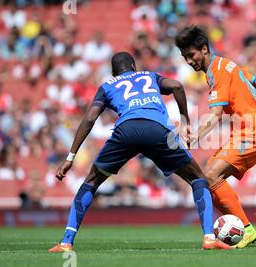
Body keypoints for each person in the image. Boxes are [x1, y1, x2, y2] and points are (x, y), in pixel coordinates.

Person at [48, 52, 231, 252]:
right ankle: (209, 238)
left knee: (91, 182)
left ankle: (66, 242)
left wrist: (71, 157)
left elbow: (90, 118)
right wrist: (185, 120)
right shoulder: (148, 76)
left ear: (113, 72)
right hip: (157, 130)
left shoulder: (108, 86)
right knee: (198, 179)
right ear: (134, 66)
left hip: (126, 131)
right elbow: (177, 86)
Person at [175, 25, 256, 248]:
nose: (189, 61)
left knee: (209, 175)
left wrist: (196, 136)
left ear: (204, 49)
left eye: (191, 55)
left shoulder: (218, 71)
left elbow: (216, 113)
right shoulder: (227, 64)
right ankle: (243, 227)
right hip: (253, 128)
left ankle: (246, 229)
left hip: (254, 129)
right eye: (184, 57)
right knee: (207, 178)